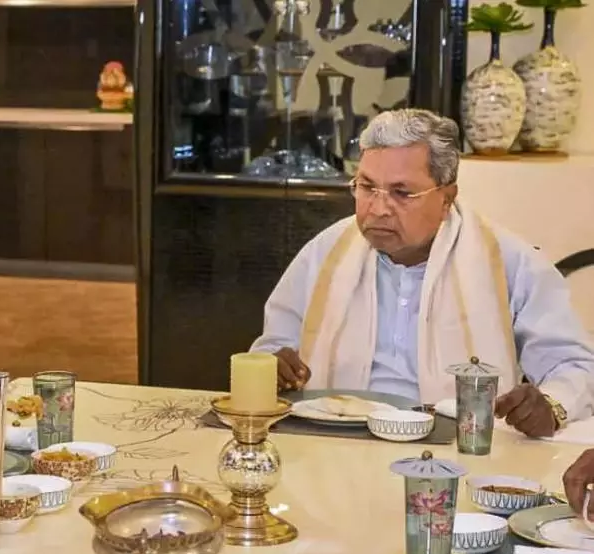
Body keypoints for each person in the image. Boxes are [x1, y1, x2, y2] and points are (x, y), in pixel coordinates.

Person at [250, 108, 594, 438]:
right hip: (336, 440)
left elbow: (574, 366)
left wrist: (552, 404)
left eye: (402, 193)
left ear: (446, 198)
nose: (378, 209)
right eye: (367, 187)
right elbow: (272, 351)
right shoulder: (326, 253)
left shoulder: (508, 261)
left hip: (460, 448)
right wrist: (272, 370)